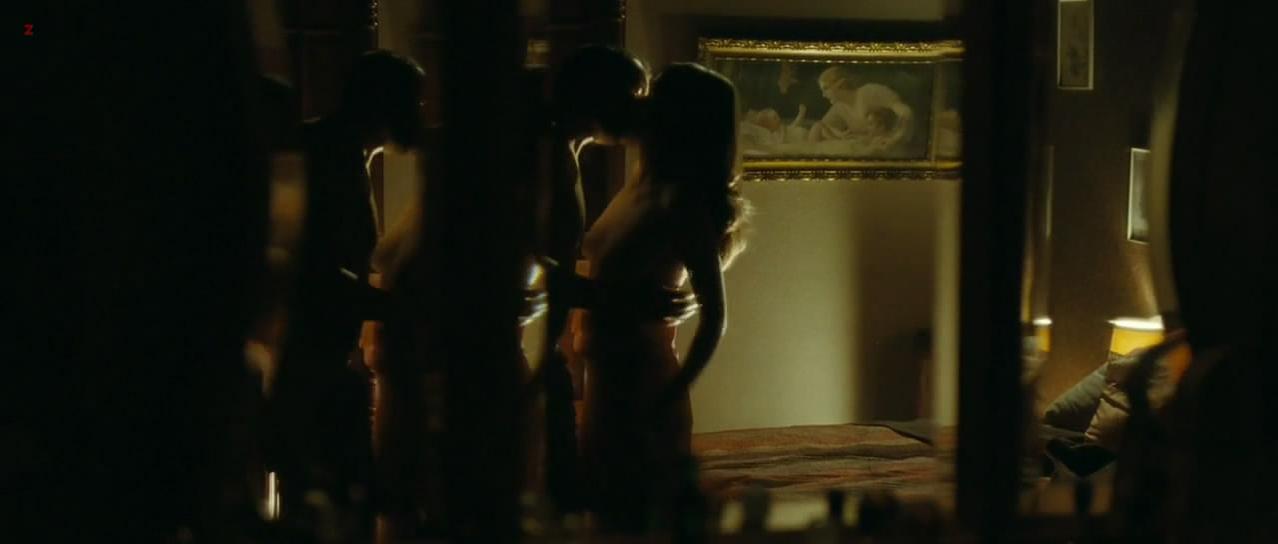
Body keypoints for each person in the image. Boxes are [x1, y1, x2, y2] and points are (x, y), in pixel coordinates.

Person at [575, 62, 749, 532]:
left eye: (655, 96)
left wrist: (668, 396)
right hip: (605, 377)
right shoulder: (639, 182)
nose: (642, 103)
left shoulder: (679, 201)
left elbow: (715, 317)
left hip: (641, 383)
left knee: (632, 522)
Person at [267, 49, 425, 540]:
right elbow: (313, 265)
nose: (420, 115)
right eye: (413, 102)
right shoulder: (324, 155)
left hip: (323, 353)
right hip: (307, 355)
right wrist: (393, 307)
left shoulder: (340, 151)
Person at [807, 65, 913, 153]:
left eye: (826, 88)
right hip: (867, 150)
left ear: (840, 84)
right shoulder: (838, 107)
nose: (824, 95)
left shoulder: (870, 92)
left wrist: (895, 138)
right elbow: (822, 127)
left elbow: (905, 112)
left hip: (890, 149)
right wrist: (840, 136)